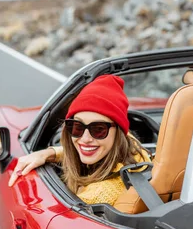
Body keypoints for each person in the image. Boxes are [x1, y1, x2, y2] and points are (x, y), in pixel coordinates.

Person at [8, 74, 151, 206]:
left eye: (98, 129)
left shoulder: (95, 197)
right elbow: (78, 150)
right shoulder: (133, 150)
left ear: (118, 133)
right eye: (77, 126)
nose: (85, 138)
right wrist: (47, 154)